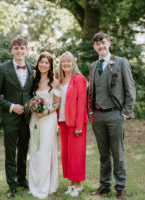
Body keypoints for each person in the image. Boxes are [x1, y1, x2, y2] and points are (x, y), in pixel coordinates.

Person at [88, 32, 136, 200]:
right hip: (98, 116)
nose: (101, 46)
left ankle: (121, 187)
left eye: (103, 43)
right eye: (97, 44)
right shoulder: (93, 66)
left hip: (116, 114)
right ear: (94, 47)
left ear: (109, 43)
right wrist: (91, 112)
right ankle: (104, 185)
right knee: (103, 154)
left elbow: (131, 90)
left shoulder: (121, 62)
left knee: (118, 153)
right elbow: (92, 91)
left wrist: (125, 113)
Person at [0, 36, 33, 198]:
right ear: (12, 51)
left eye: (22, 48)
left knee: (23, 151)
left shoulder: (31, 68)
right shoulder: (3, 69)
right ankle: (12, 185)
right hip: (10, 118)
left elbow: (32, 92)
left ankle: (22, 179)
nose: (20, 51)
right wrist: (11, 107)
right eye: (16, 48)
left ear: (26, 50)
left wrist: (32, 105)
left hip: (27, 118)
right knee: (10, 152)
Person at [28, 52, 60, 199]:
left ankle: (45, 186)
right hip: (35, 119)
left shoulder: (54, 82)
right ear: (38, 63)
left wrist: (45, 112)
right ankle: (34, 184)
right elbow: (31, 99)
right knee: (34, 151)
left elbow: (57, 103)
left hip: (48, 119)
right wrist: (32, 107)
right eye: (41, 62)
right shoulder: (33, 80)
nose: (43, 65)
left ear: (50, 66)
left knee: (45, 152)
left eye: (47, 63)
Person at [58, 51, 88, 197]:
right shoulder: (60, 81)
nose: (66, 64)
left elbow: (82, 103)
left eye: (69, 61)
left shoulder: (79, 79)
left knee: (76, 154)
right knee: (66, 154)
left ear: (73, 63)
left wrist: (78, 126)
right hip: (63, 121)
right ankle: (71, 183)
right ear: (61, 64)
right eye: (64, 61)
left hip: (76, 122)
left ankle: (78, 184)